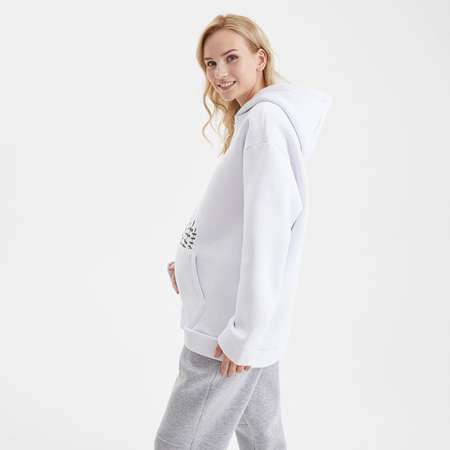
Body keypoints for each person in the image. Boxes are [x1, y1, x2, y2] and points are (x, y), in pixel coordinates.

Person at [155, 13, 332, 450]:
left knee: (177, 444)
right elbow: (233, 219)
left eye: (231, 58)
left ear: (260, 58)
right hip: (240, 321)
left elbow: (268, 236)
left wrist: (244, 334)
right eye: (210, 64)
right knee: (262, 438)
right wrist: (192, 263)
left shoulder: (265, 125)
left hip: (226, 330)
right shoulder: (258, 121)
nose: (220, 73)